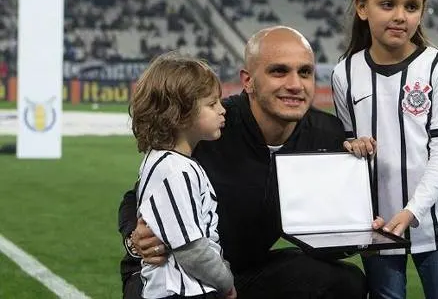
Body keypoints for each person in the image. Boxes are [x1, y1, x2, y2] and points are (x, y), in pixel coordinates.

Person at [119, 26, 368, 299]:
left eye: (305, 72)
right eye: (279, 71)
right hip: (172, 274)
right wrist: (135, 238)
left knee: (345, 282)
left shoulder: (327, 134)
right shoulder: (209, 126)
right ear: (248, 81)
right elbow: (139, 194)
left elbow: (326, 235)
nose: (296, 85)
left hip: (243, 271)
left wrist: (358, 229)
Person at [332, 0, 438, 299]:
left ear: (422, 11)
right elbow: (349, 147)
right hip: (377, 227)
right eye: (387, 4)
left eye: (411, 6)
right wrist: (352, 148)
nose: (400, 16)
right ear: (362, 7)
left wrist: (412, 211)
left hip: (434, 221)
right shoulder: (344, 73)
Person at [128, 52, 234, 298]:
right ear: (179, 113)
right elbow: (192, 250)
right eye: (212, 104)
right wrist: (225, 280)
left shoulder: (173, 163)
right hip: (184, 290)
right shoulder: (174, 170)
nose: (222, 110)